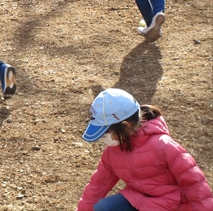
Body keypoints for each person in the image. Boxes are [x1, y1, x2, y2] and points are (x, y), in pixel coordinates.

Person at [78, 88, 212, 211]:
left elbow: (195, 184)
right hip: (136, 197)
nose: (103, 138)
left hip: (169, 203)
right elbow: (98, 184)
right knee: (103, 208)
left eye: (105, 132)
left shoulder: (164, 146)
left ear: (125, 126)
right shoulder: (113, 151)